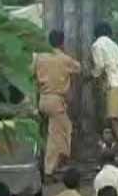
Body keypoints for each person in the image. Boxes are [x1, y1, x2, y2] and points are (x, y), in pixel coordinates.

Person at [34, 30, 82, 178]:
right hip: (56, 100)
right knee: (57, 134)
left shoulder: (39, 57)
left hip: (43, 99)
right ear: (62, 42)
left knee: (61, 129)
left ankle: (58, 161)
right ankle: (50, 168)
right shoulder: (64, 59)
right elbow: (79, 68)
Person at [91, 21, 118, 157]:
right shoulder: (113, 44)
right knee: (117, 119)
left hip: (116, 83)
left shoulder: (97, 45)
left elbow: (100, 66)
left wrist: (92, 75)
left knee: (113, 118)